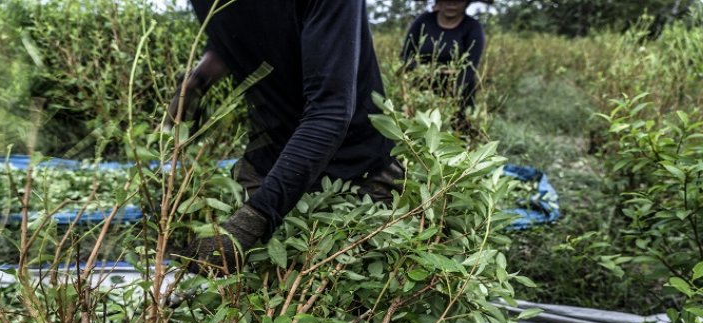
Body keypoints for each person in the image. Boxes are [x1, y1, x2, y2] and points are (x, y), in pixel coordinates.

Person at [166, 0, 403, 277]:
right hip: (268, 159)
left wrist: (251, 221)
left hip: (358, 171)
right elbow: (246, 30)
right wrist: (199, 79)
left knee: (355, 295)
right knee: (249, 299)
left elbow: (330, 112)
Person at [401, 0, 489, 128]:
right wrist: (426, 73)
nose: (451, 4)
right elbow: (407, 55)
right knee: (418, 132)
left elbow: (469, 68)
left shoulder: (473, 27)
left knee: (456, 135)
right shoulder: (423, 21)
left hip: (458, 94)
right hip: (421, 90)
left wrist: (449, 99)